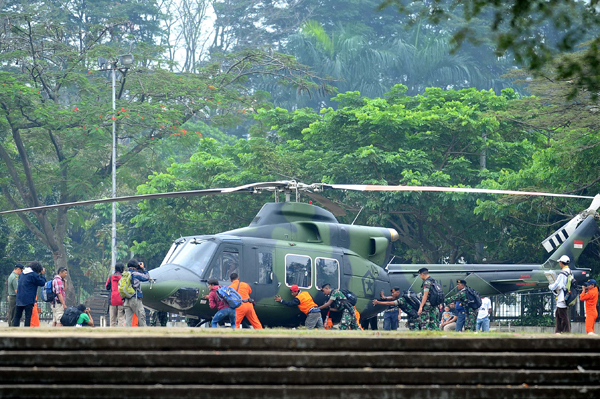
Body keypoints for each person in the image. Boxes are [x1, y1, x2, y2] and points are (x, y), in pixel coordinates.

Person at [12, 262, 46, 327]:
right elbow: (42, 283)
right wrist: (42, 274)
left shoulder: (22, 274)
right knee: (28, 317)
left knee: (17, 316)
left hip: (19, 298)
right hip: (28, 299)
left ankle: (14, 330)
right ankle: (26, 331)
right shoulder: (33, 275)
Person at [548, 255, 572, 334]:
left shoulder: (562, 273)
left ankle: (566, 331)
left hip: (562, 296)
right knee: (558, 314)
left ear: (562, 263)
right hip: (566, 295)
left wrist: (550, 286)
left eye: (560, 262)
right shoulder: (570, 271)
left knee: (563, 315)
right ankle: (558, 331)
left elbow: (557, 284)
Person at [123, 259, 150, 327]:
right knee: (141, 317)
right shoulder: (135, 274)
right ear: (135, 266)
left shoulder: (124, 274)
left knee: (128, 321)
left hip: (126, 300)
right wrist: (143, 268)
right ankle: (146, 335)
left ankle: (126, 336)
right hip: (135, 299)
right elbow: (146, 277)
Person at [105, 262, 125, 327]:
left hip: (112, 300)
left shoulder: (111, 277)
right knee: (121, 318)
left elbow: (107, 287)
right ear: (122, 269)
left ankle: (112, 334)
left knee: (112, 319)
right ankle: (120, 334)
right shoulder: (123, 277)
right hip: (121, 300)